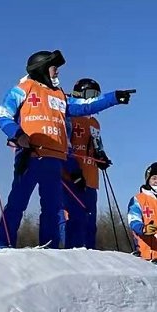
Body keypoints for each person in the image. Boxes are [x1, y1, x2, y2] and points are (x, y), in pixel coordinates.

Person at [0, 50, 134, 248]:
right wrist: (18, 135)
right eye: (54, 67)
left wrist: (114, 98)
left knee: (51, 207)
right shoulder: (23, 88)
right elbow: (2, 116)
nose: (57, 72)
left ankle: (49, 247)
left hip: (55, 158)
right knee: (18, 202)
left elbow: (86, 105)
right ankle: (4, 245)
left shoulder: (60, 96)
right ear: (42, 68)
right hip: (30, 155)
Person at [63, 78, 112, 249]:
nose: (93, 99)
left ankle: (89, 254)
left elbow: (97, 145)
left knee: (90, 222)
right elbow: (64, 144)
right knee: (72, 220)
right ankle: (67, 255)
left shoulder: (94, 122)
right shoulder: (69, 115)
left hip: (91, 179)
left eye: (96, 95)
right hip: (71, 177)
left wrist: (102, 158)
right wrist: (71, 170)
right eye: (90, 94)